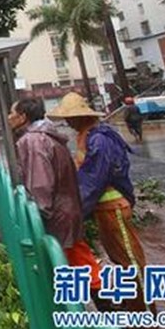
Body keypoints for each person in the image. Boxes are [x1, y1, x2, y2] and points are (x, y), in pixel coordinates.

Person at [48, 92, 152, 313]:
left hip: (112, 208)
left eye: (69, 117)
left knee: (129, 260)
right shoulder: (88, 136)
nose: (67, 122)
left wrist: (78, 211)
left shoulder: (99, 139)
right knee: (119, 257)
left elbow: (94, 178)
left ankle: (144, 309)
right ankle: (133, 303)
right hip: (104, 209)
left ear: (80, 117)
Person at [7, 98, 101, 292]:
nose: (9, 118)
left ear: (23, 117)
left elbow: (40, 183)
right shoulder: (46, 136)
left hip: (56, 216)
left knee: (75, 261)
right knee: (77, 257)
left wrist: (36, 216)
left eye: (12, 113)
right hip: (66, 211)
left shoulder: (33, 141)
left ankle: (111, 306)